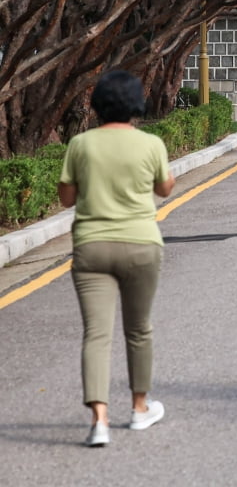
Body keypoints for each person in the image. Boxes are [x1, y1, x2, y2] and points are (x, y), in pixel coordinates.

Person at [59, 70, 176, 447]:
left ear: (98, 104)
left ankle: (100, 421)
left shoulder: (80, 144)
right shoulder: (151, 144)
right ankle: (140, 410)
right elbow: (164, 188)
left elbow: (65, 198)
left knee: (96, 333)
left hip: (91, 247)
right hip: (141, 245)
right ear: (135, 104)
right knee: (138, 329)